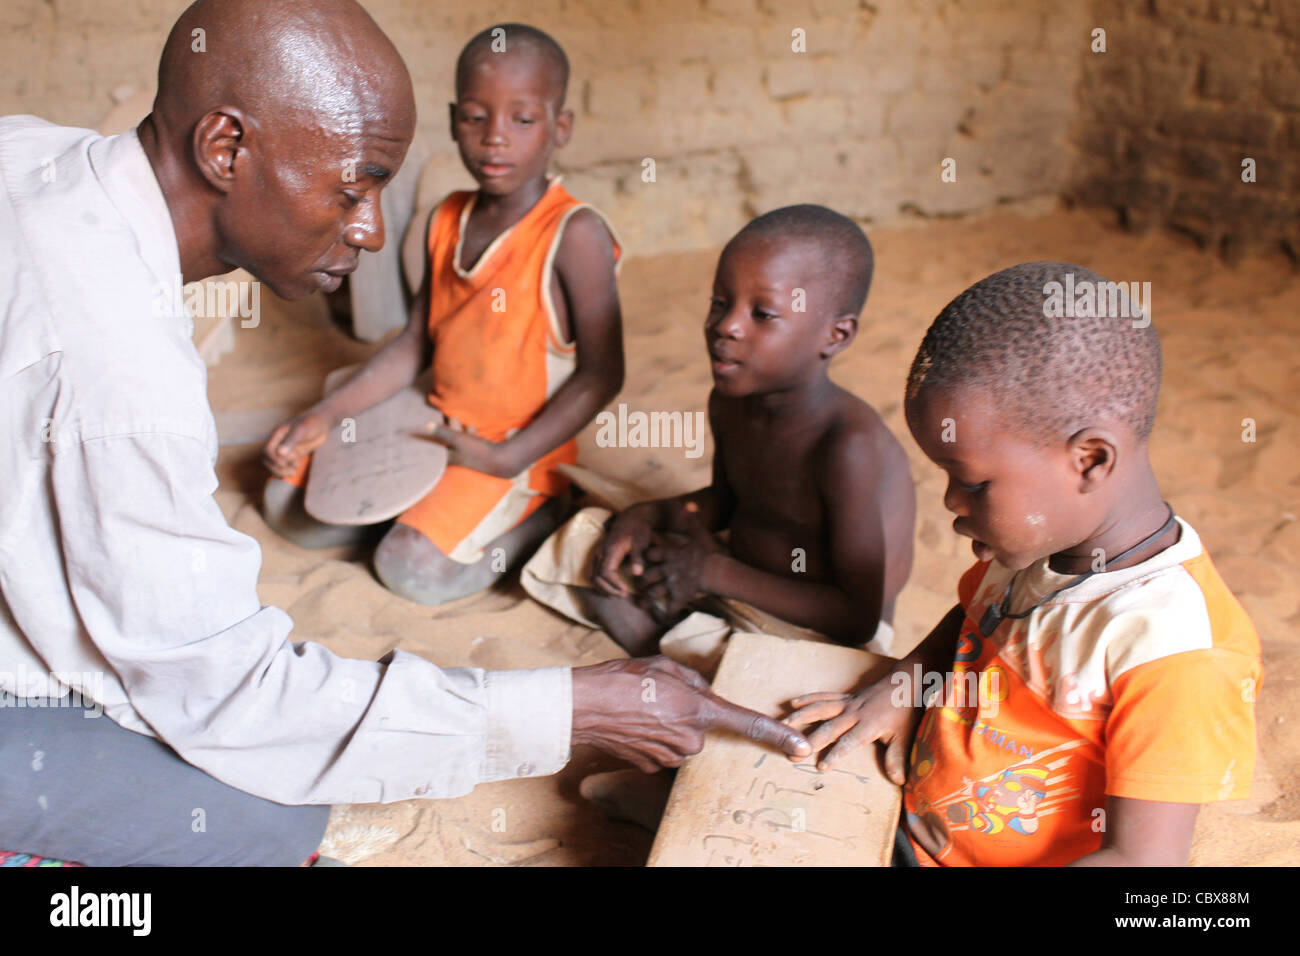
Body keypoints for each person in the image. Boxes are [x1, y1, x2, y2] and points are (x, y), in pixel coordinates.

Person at [0, 0, 808, 867]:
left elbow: (591, 371)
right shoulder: (126, 374)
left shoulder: (23, 149)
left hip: (491, 452)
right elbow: (232, 699)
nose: (372, 229)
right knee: (270, 822)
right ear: (225, 148)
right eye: (354, 187)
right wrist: (575, 708)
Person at [786, 262, 1262, 866]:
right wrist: (902, 685)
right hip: (897, 826)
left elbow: (1140, 866)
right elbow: (971, 620)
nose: (952, 503)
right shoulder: (1038, 544)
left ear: (1089, 459)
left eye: (973, 482)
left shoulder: (1176, 651)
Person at [263, 23, 625, 608]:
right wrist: (325, 416)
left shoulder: (574, 234)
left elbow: (602, 374)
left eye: (522, 120)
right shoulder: (444, 219)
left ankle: (539, 510)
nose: (494, 139)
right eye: (476, 118)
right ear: (456, 118)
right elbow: (414, 344)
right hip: (424, 422)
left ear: (561, 127)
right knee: (288, 507)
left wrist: (507, 457)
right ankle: (420, 507)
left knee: (406, 569)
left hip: (509, 447)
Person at [523, 205, 916, 674]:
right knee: (592, 547)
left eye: (762, 313)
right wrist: (646, 513)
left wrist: (710, 573)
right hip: (734, 574)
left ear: (835, 335)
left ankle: (687, 645)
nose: (727, 325)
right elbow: (728, 504)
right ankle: (689, 641)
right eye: (719, 302)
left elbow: (857, 617)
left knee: (776, 680)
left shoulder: (844, 447)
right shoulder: (729, 401)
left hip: (816, 627)